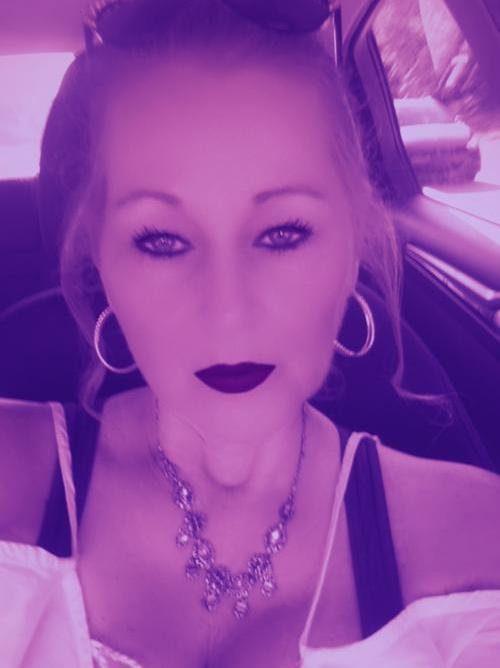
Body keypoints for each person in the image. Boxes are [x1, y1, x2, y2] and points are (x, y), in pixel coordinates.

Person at [1, 1, 499, 666]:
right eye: (161, 241)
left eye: (283, 233)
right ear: (101, 262)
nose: (227, 314)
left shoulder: (478, 551)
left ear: (354, 241)